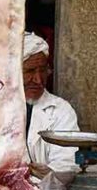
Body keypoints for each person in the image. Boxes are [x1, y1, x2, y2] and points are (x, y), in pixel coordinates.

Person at [23, 32, 80, 175]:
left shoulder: (61, 110)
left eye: (42, 71)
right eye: (29, 71)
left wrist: (46, 172)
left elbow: (66, 163)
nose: (38, 80)